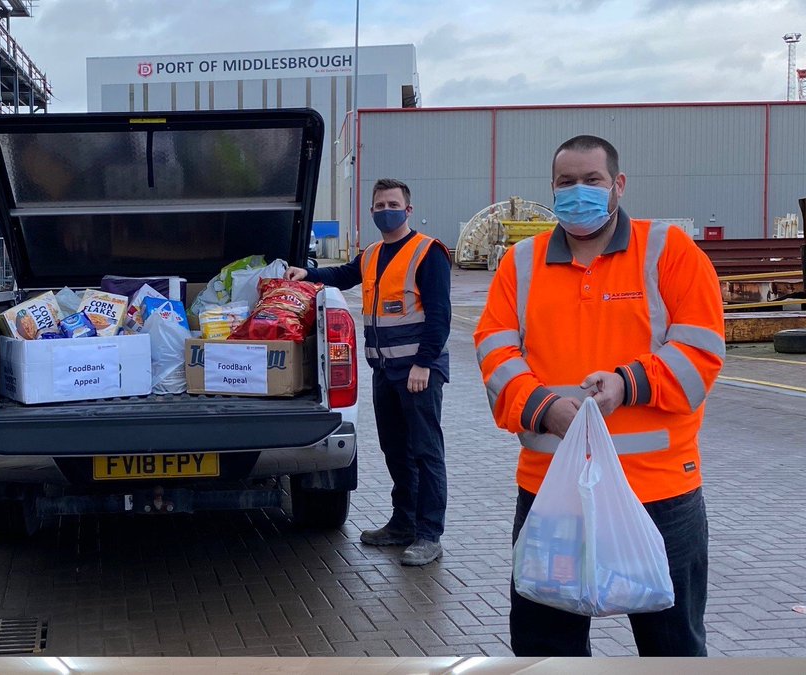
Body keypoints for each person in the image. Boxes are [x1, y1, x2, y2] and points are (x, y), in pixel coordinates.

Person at [473, 135, 724, 656]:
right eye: (567, 182)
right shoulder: (521, 263)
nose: (579, 192)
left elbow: (700, 352)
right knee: (546, 650)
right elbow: (495, 354)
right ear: (552, 189)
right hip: (553, 495)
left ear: (619, 185)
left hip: (659, 494)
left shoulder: (670, 251)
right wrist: (545, 409)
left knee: (672, 649)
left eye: (593, 180)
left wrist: (627, 384)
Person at [286, 178, 451, 566]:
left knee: (426, 452)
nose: (384, 210)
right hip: (384, 370)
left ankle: (429, 534)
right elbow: (344, 275)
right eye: (378, 205)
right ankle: (403, 523)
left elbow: (440, 317)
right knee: (396, 450)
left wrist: (423, 364)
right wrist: (307, 274)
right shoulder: (374, 252)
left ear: (408, 210)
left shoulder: (429, 252)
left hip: (417, 372)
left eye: (392, 204)